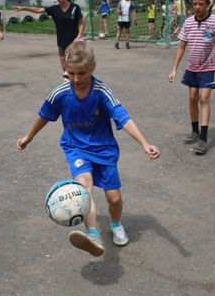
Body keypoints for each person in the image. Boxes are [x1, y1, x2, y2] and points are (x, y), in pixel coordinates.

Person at [17, 41, 160, 256]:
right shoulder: (61, 92)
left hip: (104, 150)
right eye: (70, 73)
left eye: (81, 73)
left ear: (92, 68)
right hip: (76, 148)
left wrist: (144, 143)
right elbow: (44, 116)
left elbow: (123, 116)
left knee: (114, 198)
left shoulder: (102, 92)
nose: (75, 79)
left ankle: (115, 224)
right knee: (84, 185)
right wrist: (28, 136)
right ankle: (93, 234)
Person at [168, 0, 215, 155]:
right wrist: (174, 68)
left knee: (204, 99)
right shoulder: (188, 22)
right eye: (195, 4)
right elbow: (182, 46)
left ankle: (203, 139)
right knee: (192, 98)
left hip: (209, 67)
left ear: (208, 4)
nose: (197, 7)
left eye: (201, 4)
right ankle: (195, 132)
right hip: (192, 68)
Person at [14, 0, 83, 80]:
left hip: (74, 43)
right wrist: (23, 8)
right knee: (65, 70)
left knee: (75, 68)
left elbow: (81, 24)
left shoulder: (75, 8)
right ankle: (68, 86)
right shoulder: (54, 9)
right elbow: (38, 10)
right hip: (61, 43)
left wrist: (79, 36)